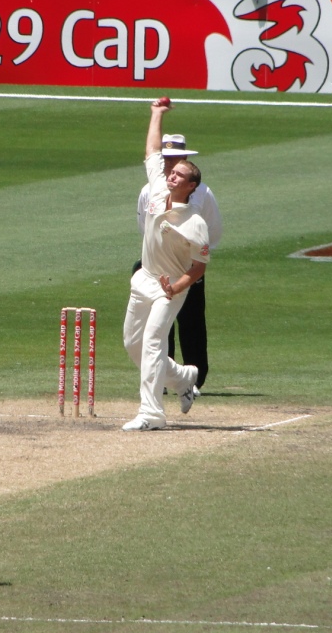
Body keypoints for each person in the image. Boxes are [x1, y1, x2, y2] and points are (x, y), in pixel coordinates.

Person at [122, 100, 209, 432]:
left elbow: (199, 268)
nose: (172, 175)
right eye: (172, 172)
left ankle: (151, 413)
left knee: (154, 342)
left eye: (180, 175)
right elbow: (152, 152)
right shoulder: (157, 190)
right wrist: (156, 114)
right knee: (134, 345)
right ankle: (184, 377)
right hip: (144, 278)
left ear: (191, 186)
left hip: (169, 288)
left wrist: (175, 287)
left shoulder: (195, 222)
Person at [135, 132, 221, 395]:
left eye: (175, 159)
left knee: (191, 322)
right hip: (154, 265)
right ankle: (161, 380)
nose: (170, 164)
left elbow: (212, 231)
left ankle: (194, 380)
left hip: (187, 266)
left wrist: (188, 259)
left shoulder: (203, 193)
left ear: (185, 158)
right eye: (166, 158)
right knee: (155, 329)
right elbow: (145, 226)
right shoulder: (150, 189)